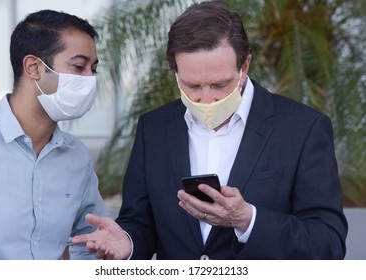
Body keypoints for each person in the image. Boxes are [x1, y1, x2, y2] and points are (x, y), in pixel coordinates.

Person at [73, 1, 348, 259]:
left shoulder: (304, 127)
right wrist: (128, 244)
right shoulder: (154, 127)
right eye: (192, 85)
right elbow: (141, 222)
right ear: (176, 72)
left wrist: (248, 220)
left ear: (245, 66)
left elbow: (328, 243)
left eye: (219, 85)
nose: (206, 99)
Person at [0, 9, 110, 259]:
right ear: (33, 67)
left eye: (93, 69)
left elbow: (91, 242)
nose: (90, 79)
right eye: (79, 66)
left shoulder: (76, 156)